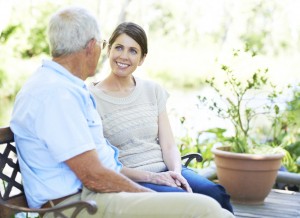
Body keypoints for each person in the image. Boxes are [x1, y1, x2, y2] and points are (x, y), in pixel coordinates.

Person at [10, 6, 234, 218]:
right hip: (77, 204)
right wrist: (149, 196)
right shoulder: (56, 95)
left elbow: (102, 167)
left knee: (217, 209)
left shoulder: (64, 88)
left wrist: (159, 178)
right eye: (106, 44)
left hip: (94, 193)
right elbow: (94, 176)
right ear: (91, 46)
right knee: (204, 208)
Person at [89, 22, 234, 214]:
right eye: (119, 47)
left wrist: (175, 173)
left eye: (133, 51)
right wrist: (152, 177)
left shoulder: (153, 90)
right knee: (184, 202)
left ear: (142, 59)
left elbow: (168, 145)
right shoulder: (91, 97)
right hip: (133, 179)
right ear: (109, 50)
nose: (124, 56)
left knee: (215, 192)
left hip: (167, 168)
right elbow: (102, 163)